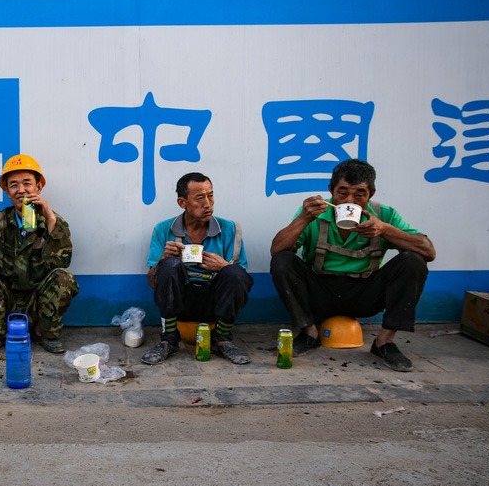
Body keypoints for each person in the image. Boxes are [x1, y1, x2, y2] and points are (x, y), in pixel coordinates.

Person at [269, 159, 436, 372]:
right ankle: (309, 333)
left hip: (366, 293)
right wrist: (303, 218)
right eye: (343, 193)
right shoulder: (315, 213)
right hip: (320, 293)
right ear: (331, 190)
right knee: (283, 260)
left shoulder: (384, 215)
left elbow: (429, 251)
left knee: (414, 262)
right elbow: (277, 250)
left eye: (359, 194)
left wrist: (385, 229)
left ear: (371, 194)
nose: (350, 200)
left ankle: (385, 342)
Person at [0, 154, 79, 356]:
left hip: (38, 301)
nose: (21, 190)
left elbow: (62, 261)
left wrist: (50, 217)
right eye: (14, 185)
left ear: (39, 187)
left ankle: (45, 333)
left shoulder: (52, 220)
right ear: (7, 191)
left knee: (64, 278)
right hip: (4, 301)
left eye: (27, 183)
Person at [142, 172, 254, 365]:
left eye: (210, 195)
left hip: (215, 303)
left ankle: (222, 338)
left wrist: (223, 266)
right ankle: (169, 339)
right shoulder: (163, 230)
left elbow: (242, 281)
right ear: (182, 202)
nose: (208, 204)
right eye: (199, 198)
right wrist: (163, 258)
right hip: (182, 304)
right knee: (168, 265)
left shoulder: (230, 229)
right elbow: (153, 282)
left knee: (235, 272)